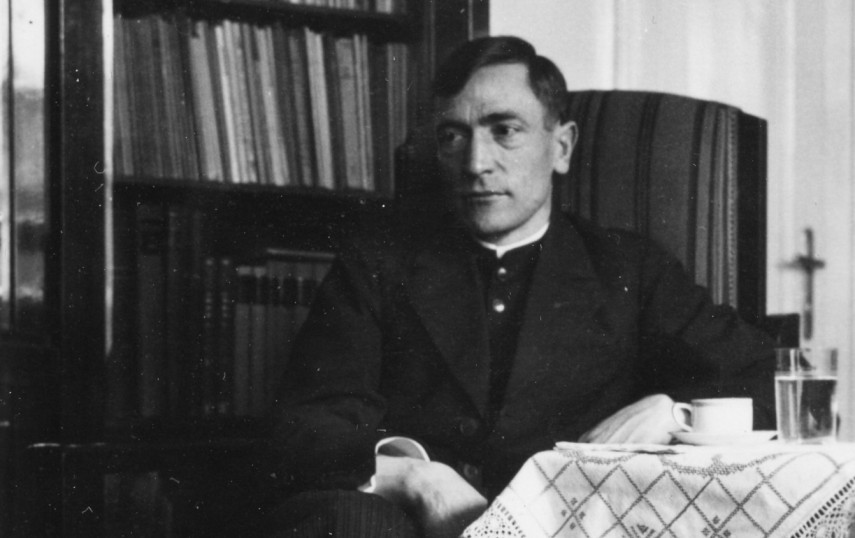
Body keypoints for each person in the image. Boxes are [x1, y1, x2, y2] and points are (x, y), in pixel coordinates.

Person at [265, 36, 776, 537]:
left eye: (505, 130)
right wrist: (416, 478)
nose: (476, 163)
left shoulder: (628, 267)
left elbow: (763, 378)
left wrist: (674, 411)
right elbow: (308, 424)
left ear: (561, 147)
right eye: (453, 136)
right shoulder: (377, 263)